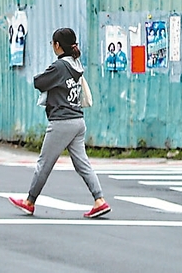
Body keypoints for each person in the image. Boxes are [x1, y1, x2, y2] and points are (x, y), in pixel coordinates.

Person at [9, 27, 110, 219]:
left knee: (44, 164)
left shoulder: (60, 66)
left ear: (57, 45)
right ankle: (100, 200)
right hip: (77, 120)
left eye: (52, 43)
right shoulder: (76, 64)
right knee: (83, 164)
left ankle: (30, 201)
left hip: (61, 121)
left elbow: (39, 82)